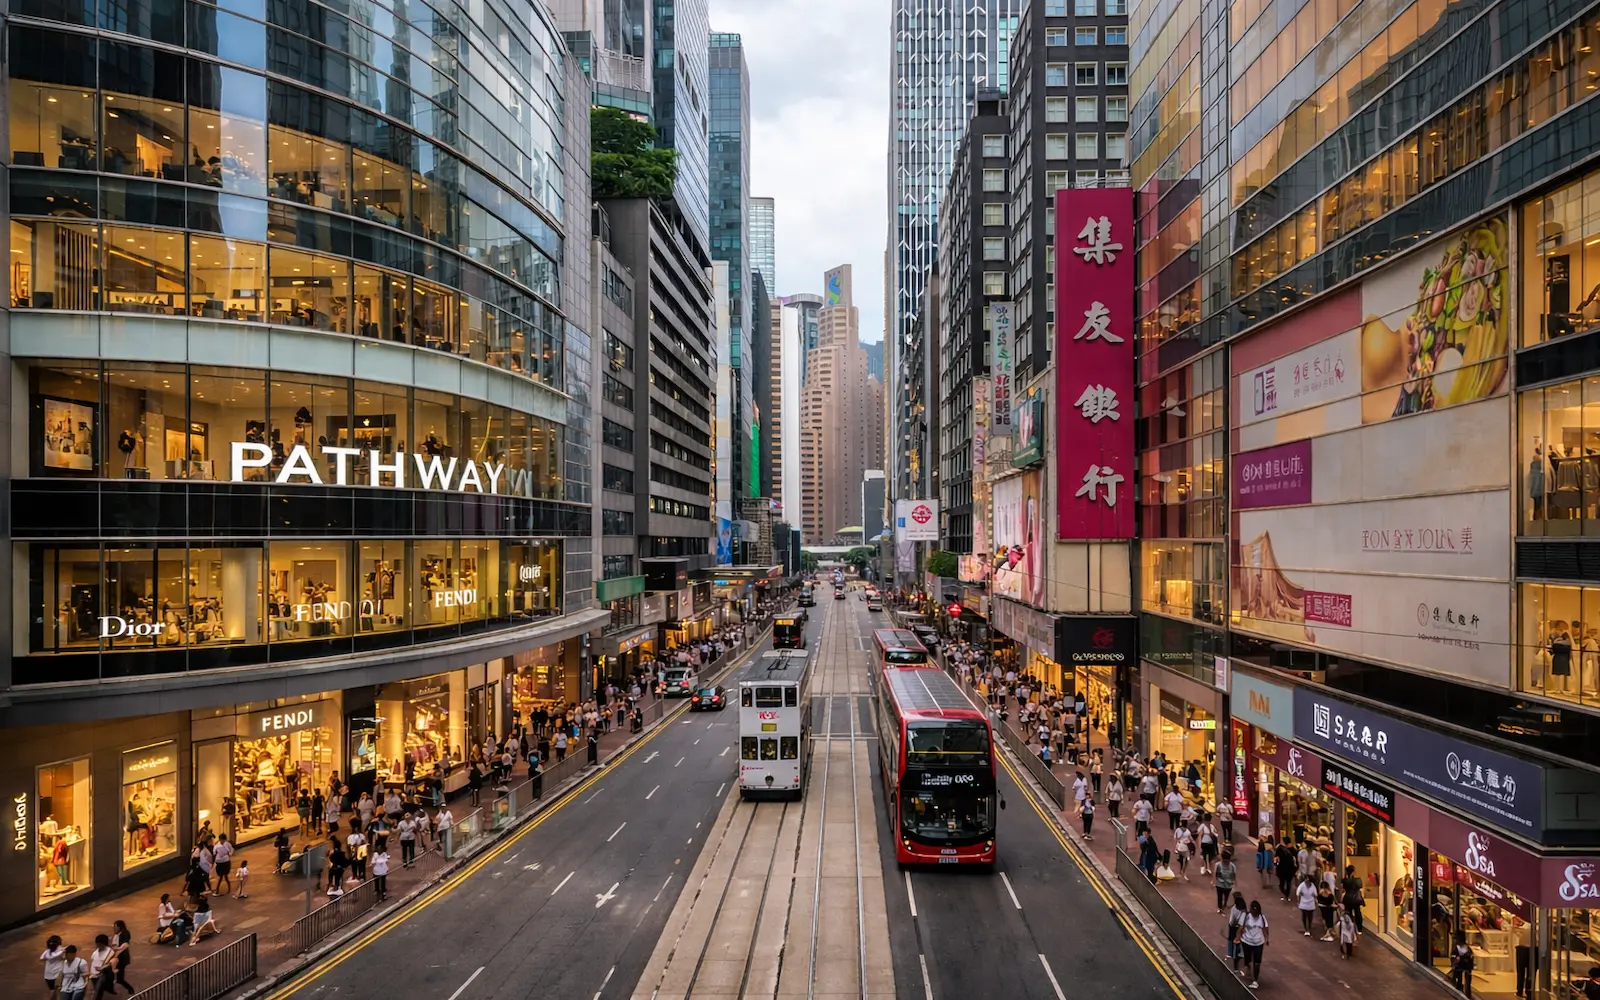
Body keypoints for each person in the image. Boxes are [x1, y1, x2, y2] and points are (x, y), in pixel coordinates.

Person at [1238, 900, 1269, 988]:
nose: (1254, 913)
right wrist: (1238, 936)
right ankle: (1247, 966)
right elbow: (1241, 927)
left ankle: (1255, 980)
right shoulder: (1246, 916)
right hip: (1247, 941)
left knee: (1257, 962)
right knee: (1247, 958)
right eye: (1253, 911)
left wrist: (1267, 938)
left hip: (1258, 942)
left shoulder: (1262, 918)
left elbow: (1265, 928)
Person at [1341, 864, 1366, 935]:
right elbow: (1361, 890)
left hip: (1348, 899)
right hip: (1356, 900)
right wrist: (1362, 899)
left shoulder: (1344, 881)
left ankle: (1350, 928)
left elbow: (1343, 891)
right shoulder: (1358, 880)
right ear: (1353, 872)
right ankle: (1359, 929)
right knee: (1358, 913)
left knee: (1348, 914)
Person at [87, 933, 114, 1000]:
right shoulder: (95, 952)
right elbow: (92, 962)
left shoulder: (110, 952)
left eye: (99, 944)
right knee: (97, 990)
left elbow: (111, 963)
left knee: (97, 991)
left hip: (102, 974)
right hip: (93, 975)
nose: (98, 946)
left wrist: (102, 968)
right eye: (97, 944)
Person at [109, 920, 133, 995]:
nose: (114, 929)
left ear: (119, 927)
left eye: (115, 927)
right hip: (116, 958)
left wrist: (117, 949)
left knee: (120, 979)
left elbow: (124, 946)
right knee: (110, 973)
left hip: (122, 959)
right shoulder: (116, 935)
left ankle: (130, 989)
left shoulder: (125, 934)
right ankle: (111, 989)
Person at [1226, 893, 1249, 971]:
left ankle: (1233, 954)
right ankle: (1232, 954)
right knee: (1234, 939)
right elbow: (1235, 919)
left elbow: (1237, 920)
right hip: (1235, 925)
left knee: (1234, 940)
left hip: (1237, 926)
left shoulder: (1241, 910)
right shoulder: (1239, 909)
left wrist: (1234, 924)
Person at [1451, 930, 1475, 994]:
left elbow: (1471, 956)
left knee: (1467, 978)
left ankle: (1467, 991)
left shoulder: (1466, 947)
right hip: (1461, 965)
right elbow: (1453, 956)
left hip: (1465, 965)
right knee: (1459, 978)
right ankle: (1460, 988)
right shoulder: (1458, 947)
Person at [1317, 877, 1337, 941]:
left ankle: (1327, 933)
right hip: (1329, 908)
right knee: (1330, 921)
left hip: (1322, 908)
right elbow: (1331, 901)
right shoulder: (1330, 894)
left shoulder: (1320, 893)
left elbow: (1318, 900)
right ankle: (1328, 933)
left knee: (1325, 920)